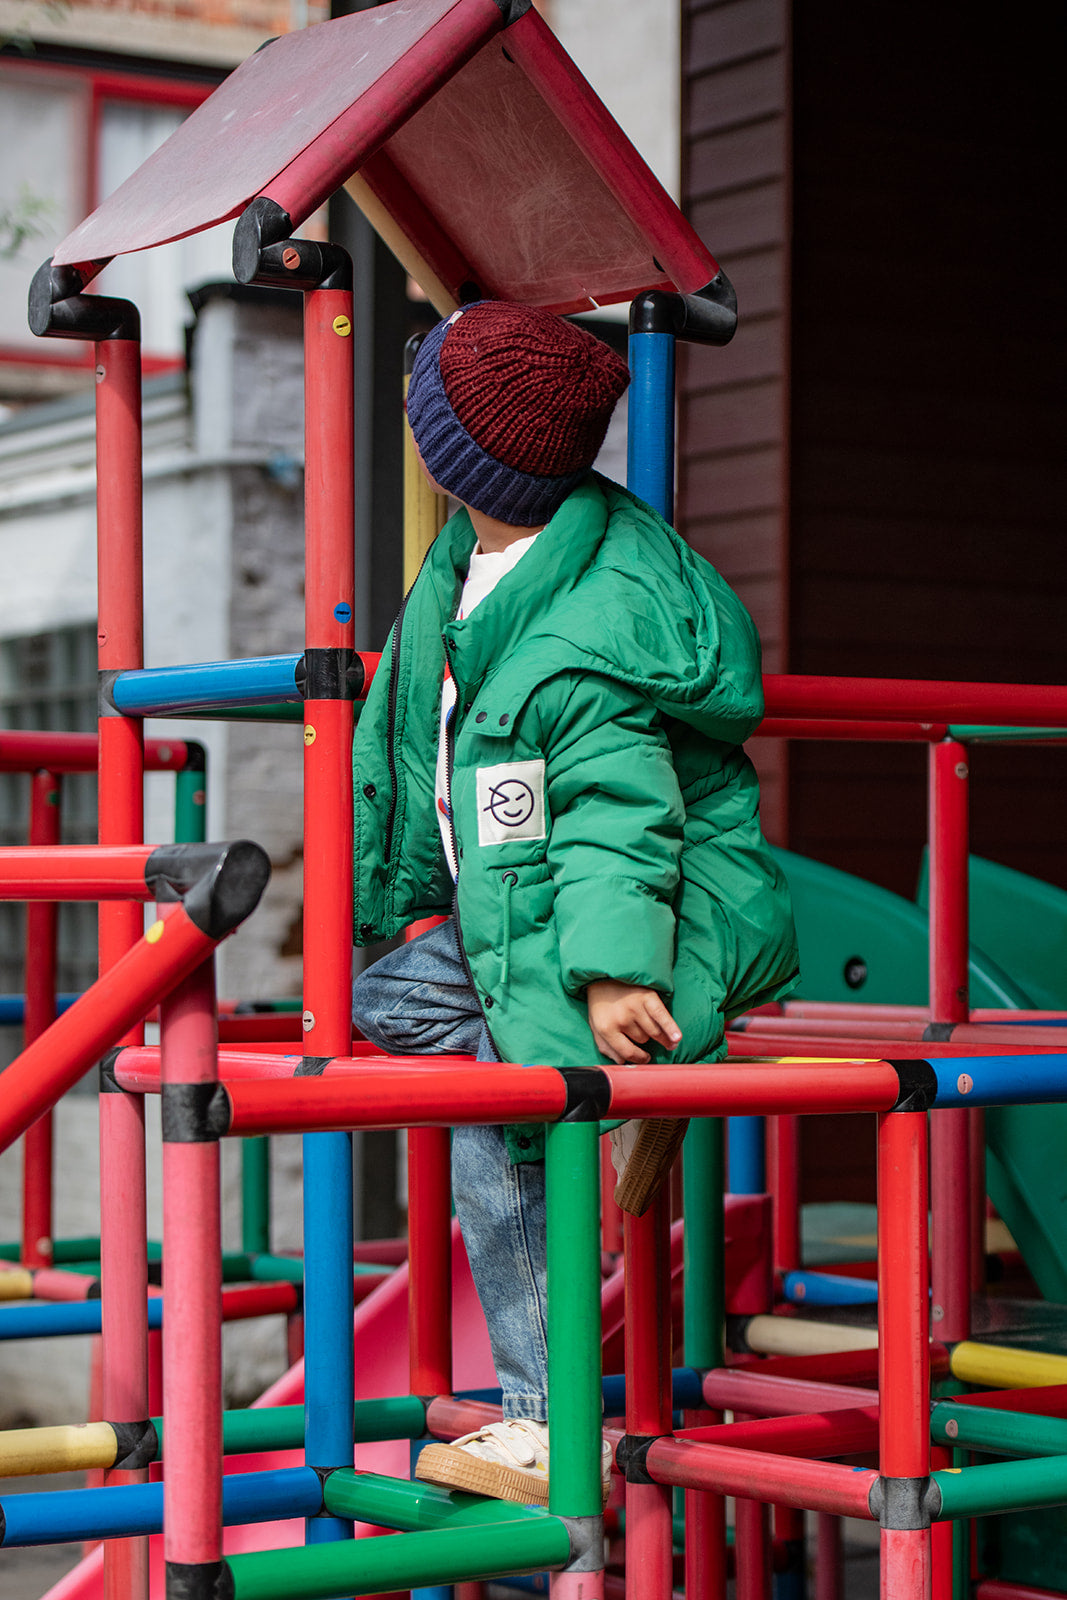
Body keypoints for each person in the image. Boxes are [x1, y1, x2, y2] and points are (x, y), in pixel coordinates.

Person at [351, 300, 798, 1505]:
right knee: (387, 1001)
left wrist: (612, 972)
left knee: (496, 1120)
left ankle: (546, 1419)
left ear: (457, 461)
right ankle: (612, 1099)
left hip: (636, 933)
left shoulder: (579, 642)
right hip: (520, 918)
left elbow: (614, 812)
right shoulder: (476, 556)